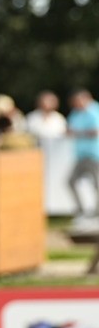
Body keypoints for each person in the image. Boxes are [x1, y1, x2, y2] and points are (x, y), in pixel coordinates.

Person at [66, 89, 99, 228]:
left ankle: (96, 214)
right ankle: (82, 211)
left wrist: (78, 133)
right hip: (80, 154)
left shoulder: (94, 110)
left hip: (94, 154)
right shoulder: (76, 112)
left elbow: (95, 131)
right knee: (71, 181)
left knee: (97, 184)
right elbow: (68, 129)